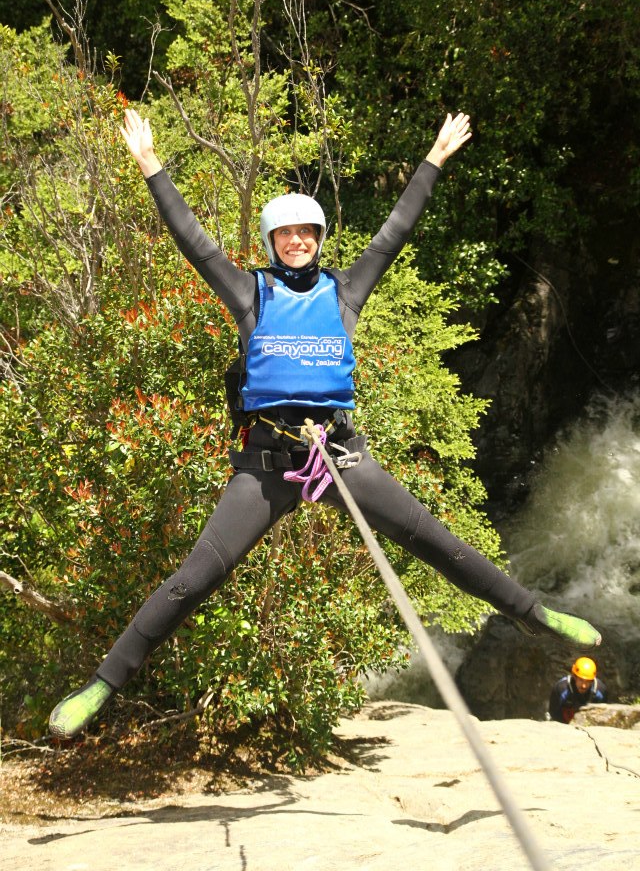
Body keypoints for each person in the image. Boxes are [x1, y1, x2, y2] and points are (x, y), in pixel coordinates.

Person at [49, 108, 602, 739]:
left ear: (318, 238)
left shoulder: (343, 292)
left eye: (306, 232)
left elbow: (393, 233)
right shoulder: (251, 293)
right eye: (285, 234)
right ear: (271, 242)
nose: (297, 241)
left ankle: (533, 613)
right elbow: (195, 242)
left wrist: (434, 159)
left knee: (437, 542)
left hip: (337, 456)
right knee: (194, 579)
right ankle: (102, 684)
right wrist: (151, 165)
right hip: (267, 466)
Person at [548, 656, 607, 724]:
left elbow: (603, 714)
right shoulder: (561, 689)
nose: (584, 686)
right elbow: (554, 713)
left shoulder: (600, 690)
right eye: (581, 680)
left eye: (588, 681)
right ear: (574, 676)